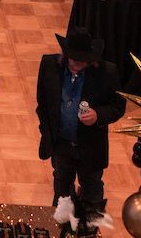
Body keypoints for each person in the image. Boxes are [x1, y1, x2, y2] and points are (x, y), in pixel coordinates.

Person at [35, 28, 125, 224]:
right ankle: (61, 228)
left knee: (92, 190)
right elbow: (42, 103)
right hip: (61, 144)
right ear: (66, 55)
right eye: (75, 60)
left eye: (84, 61)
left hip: (90, 146)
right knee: (62, 188)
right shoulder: (49, 65)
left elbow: (118, 106)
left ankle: (92, 230)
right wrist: (47, 131)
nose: (79, 65)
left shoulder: (107, 72)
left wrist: (98, 115)